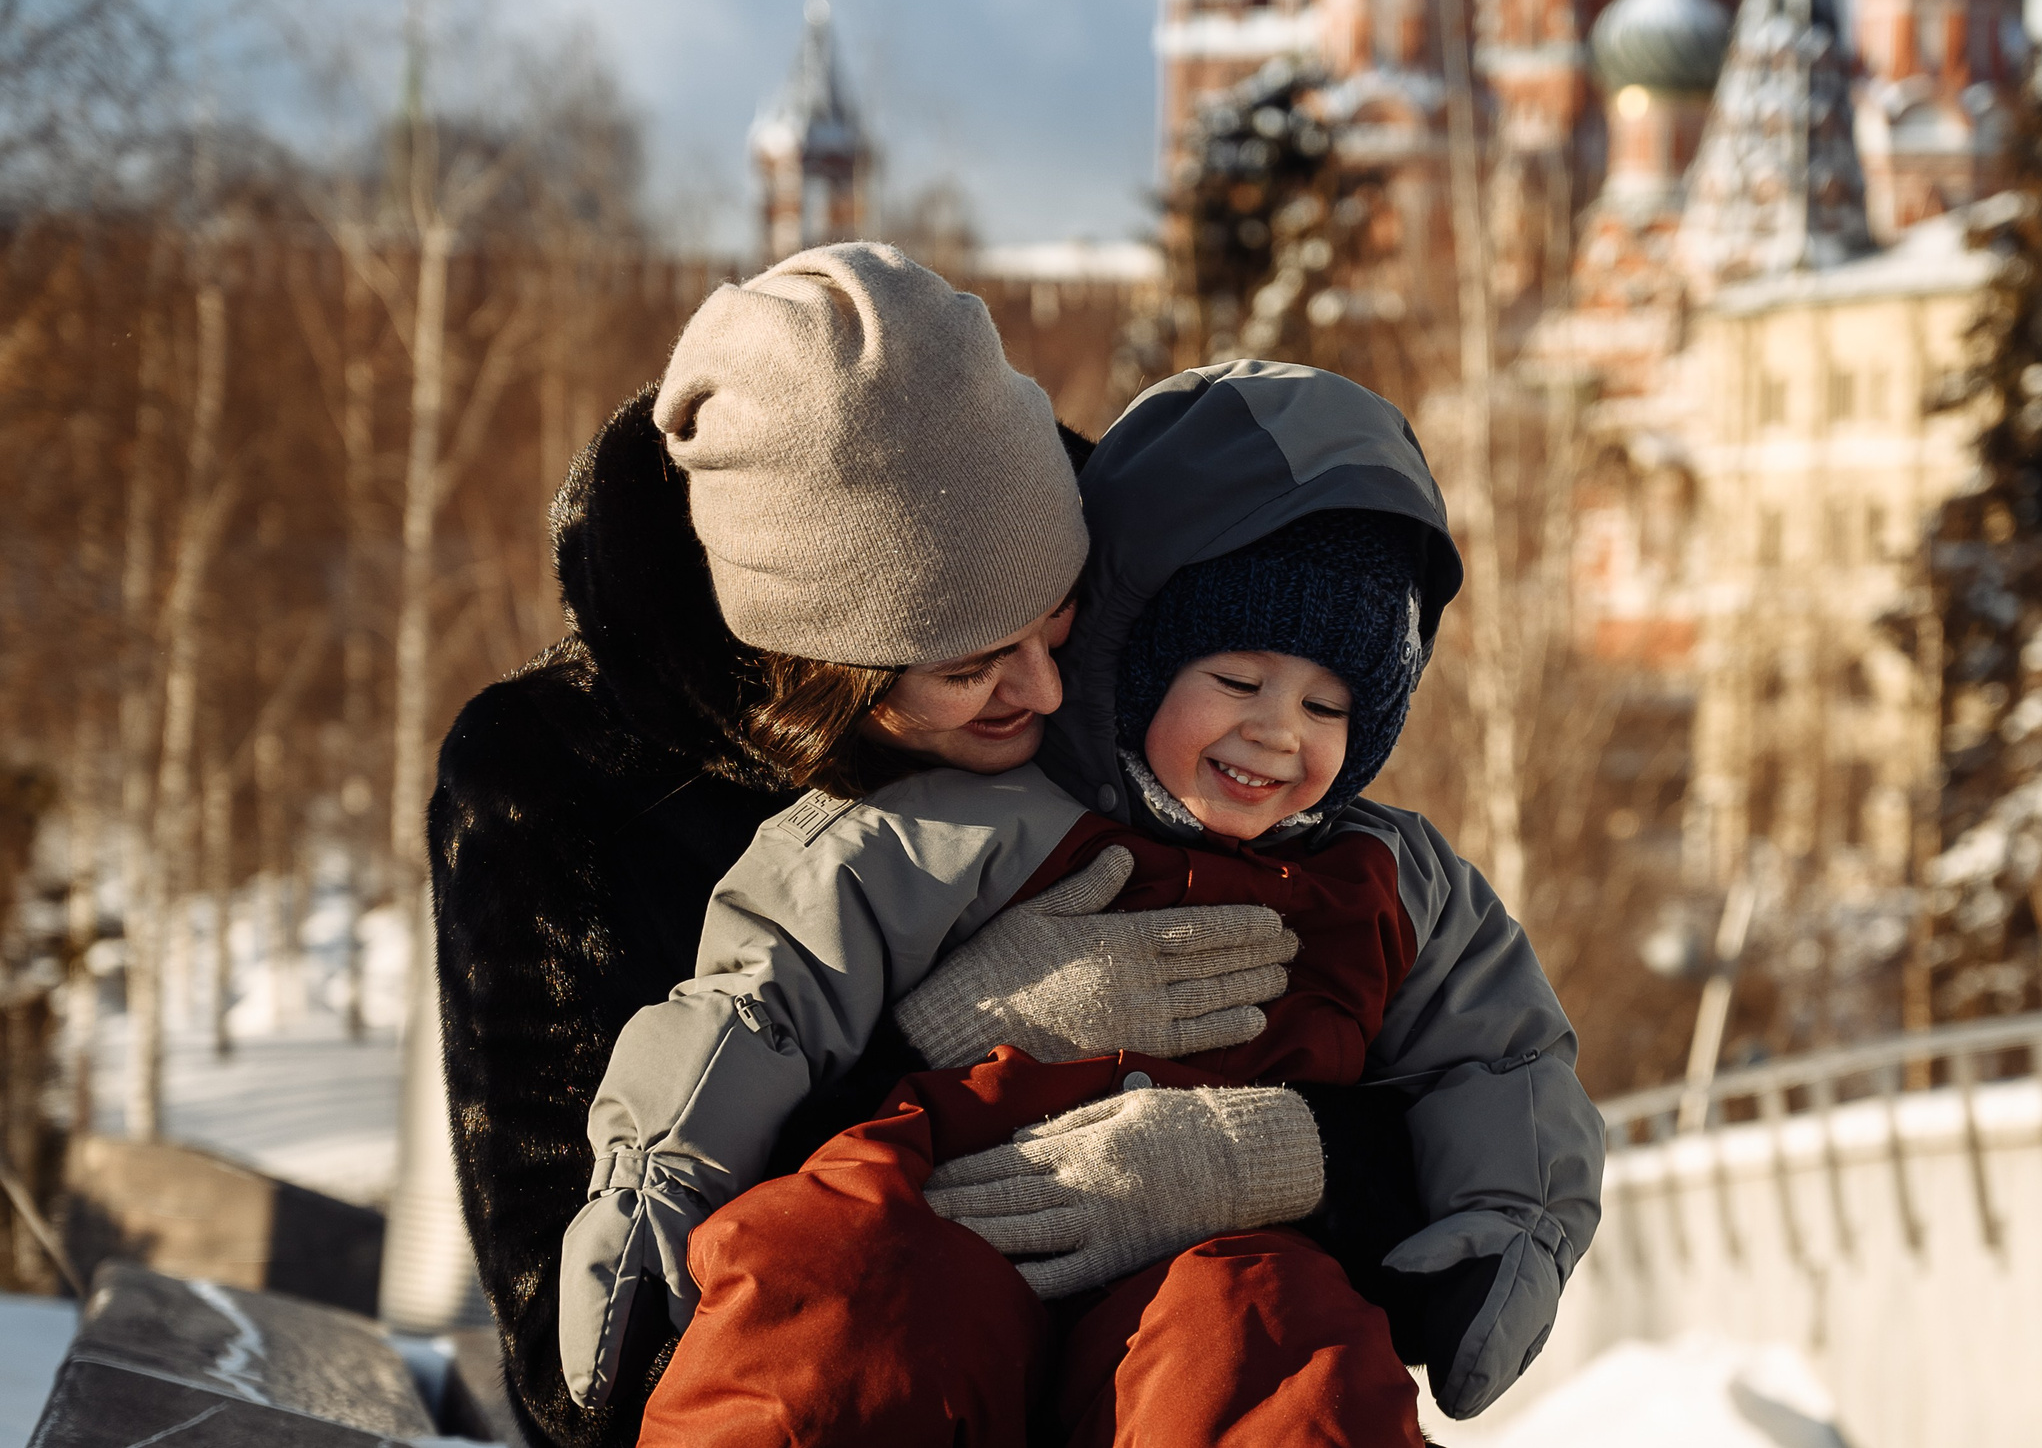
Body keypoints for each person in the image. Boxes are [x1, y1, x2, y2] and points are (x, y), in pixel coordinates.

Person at [429, 250, 1403, 1448]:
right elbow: (578, 1367)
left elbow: (1425, 1083)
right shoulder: (553, 780)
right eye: (972, 665)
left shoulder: (1148, 635)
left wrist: (1283, 1153)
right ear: (821, 665)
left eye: (1058, 624)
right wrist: (948, 1042)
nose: (1047, 691)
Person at [567, 361, 1603, 1447]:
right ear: (1135, 651)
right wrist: (654, 1184)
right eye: (1238, 681)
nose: (1279, 731)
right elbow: (760, 1001)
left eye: (1330, 704)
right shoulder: (960, 820)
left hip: (1217, 1249)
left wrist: (1510, 1225)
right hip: (944, 1198)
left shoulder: (1389, 875)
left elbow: (1503, 1058)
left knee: (1274, 1341)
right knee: (832, 1292)